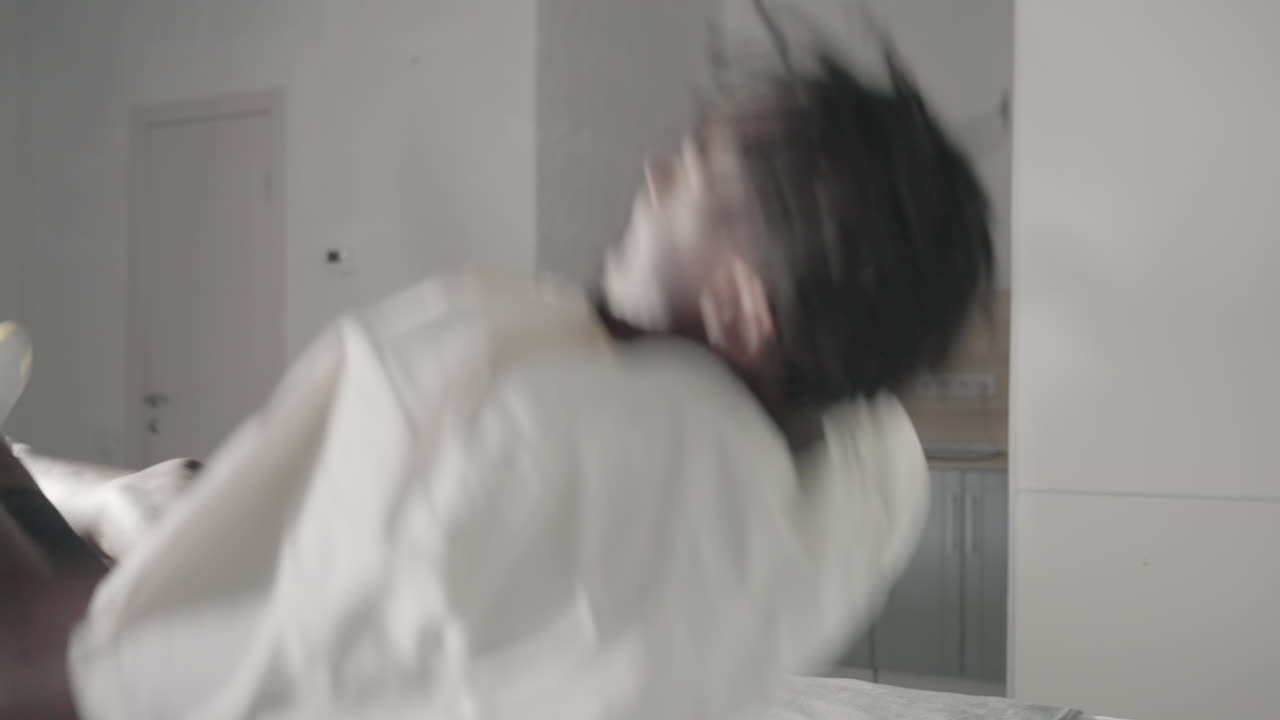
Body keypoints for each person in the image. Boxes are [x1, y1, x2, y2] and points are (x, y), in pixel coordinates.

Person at [0, 36, 992, 720]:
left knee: (62, 545)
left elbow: (126, 668)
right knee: (144, 496)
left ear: (737, 312)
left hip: (148, 650)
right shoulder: (855, 480)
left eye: (692, 172)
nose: (653, 176)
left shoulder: (524, 433)